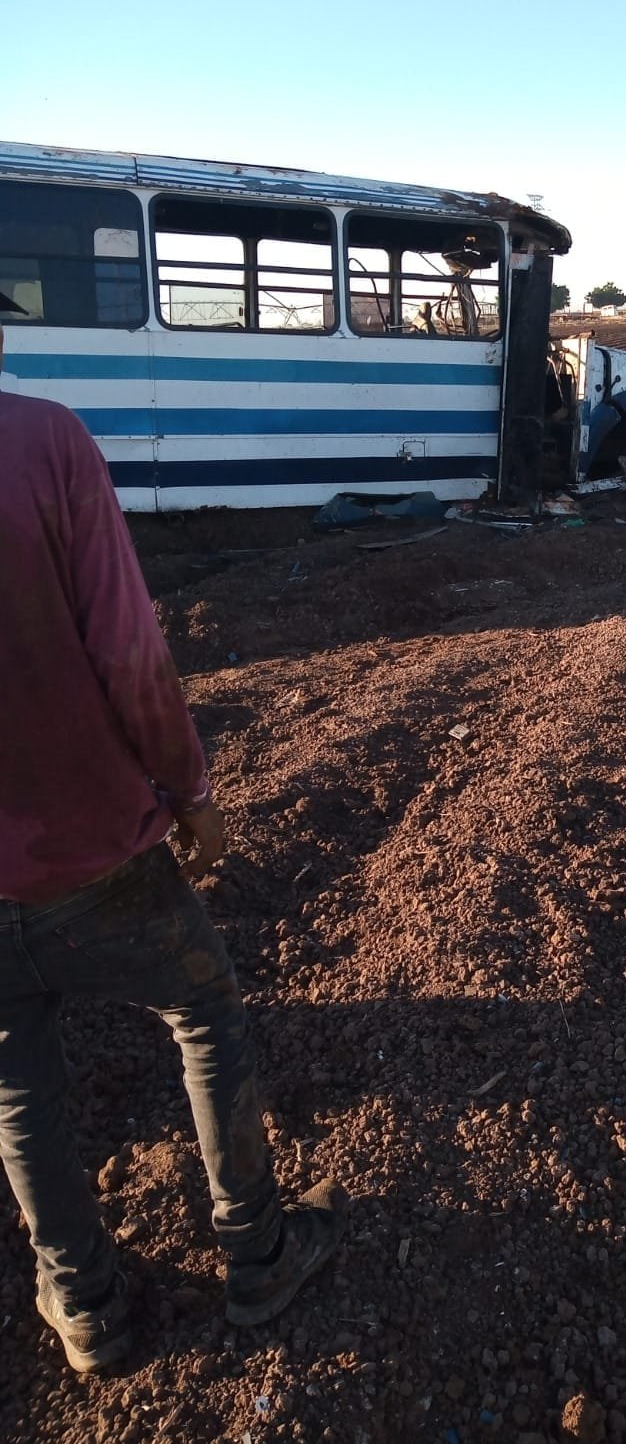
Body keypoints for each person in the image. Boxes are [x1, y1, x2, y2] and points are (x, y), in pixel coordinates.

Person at [0, 321, 345, 1374]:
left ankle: (85, 1303)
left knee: (17, 1085)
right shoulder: (46, 443)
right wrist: (190, 792)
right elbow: (129, 651)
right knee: (204, 1011)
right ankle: (256, 1249)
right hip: (95, 846)